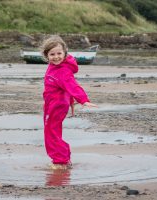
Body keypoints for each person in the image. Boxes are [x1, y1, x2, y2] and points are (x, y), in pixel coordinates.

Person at [41, 35, 97, 170]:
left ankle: (60, 162)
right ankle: (63, 159)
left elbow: (72, 85)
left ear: (65, 53)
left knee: (51, 133)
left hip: (56, 105)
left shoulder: (62, 71)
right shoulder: (55, 66)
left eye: (59, 53)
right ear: (46, 55)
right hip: (52, 104)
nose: (56, 57)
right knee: (53, 131)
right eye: (52, 54)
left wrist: (83, 100)